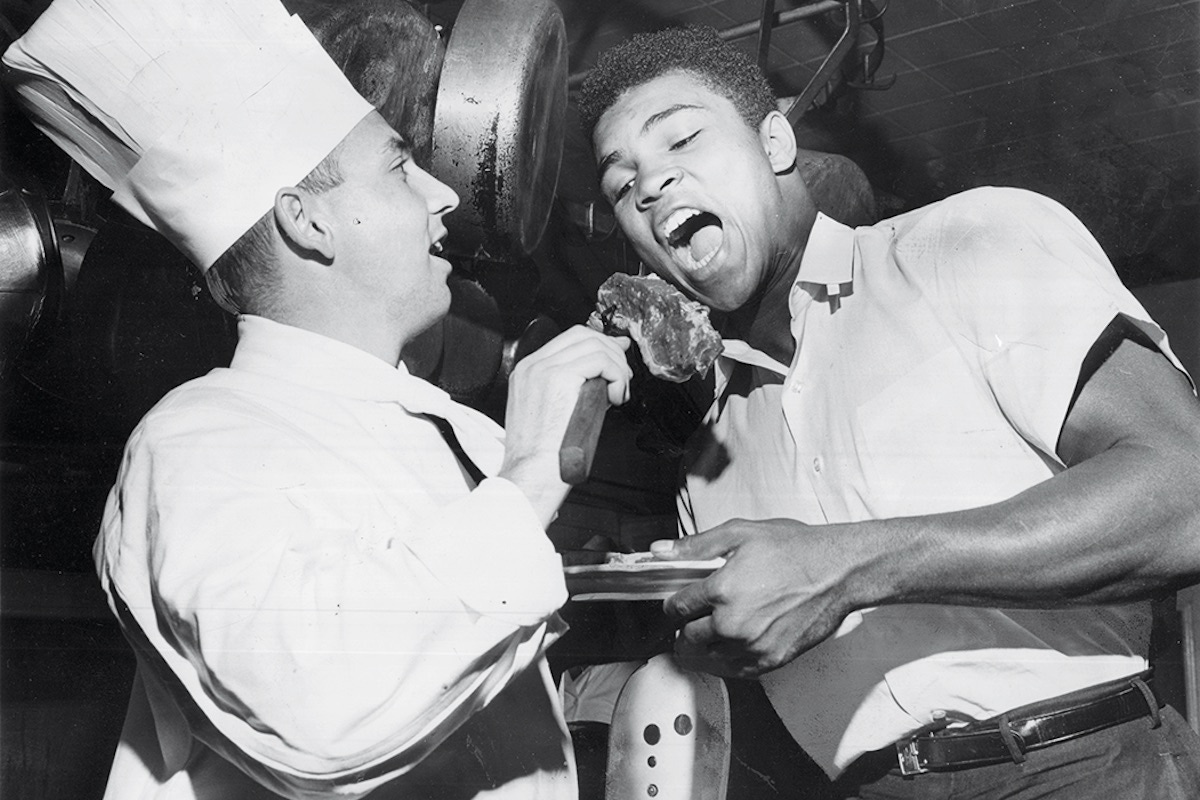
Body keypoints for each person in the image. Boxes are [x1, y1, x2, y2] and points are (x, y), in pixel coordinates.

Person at [3, 1, 630, 798]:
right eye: (401, 167)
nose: (443, 196)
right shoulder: (197, 441)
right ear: (308, 223)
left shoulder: (449, 430)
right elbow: (315, 710)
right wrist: (533, 473)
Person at [576, 25, 1200, 799]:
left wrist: (846, 565)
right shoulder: (712, 448)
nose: (650, 185)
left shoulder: (963, 242)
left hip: (1079, 765)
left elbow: (1185, 497)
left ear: (774, 142)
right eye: (619, 184)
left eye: (682, 139)